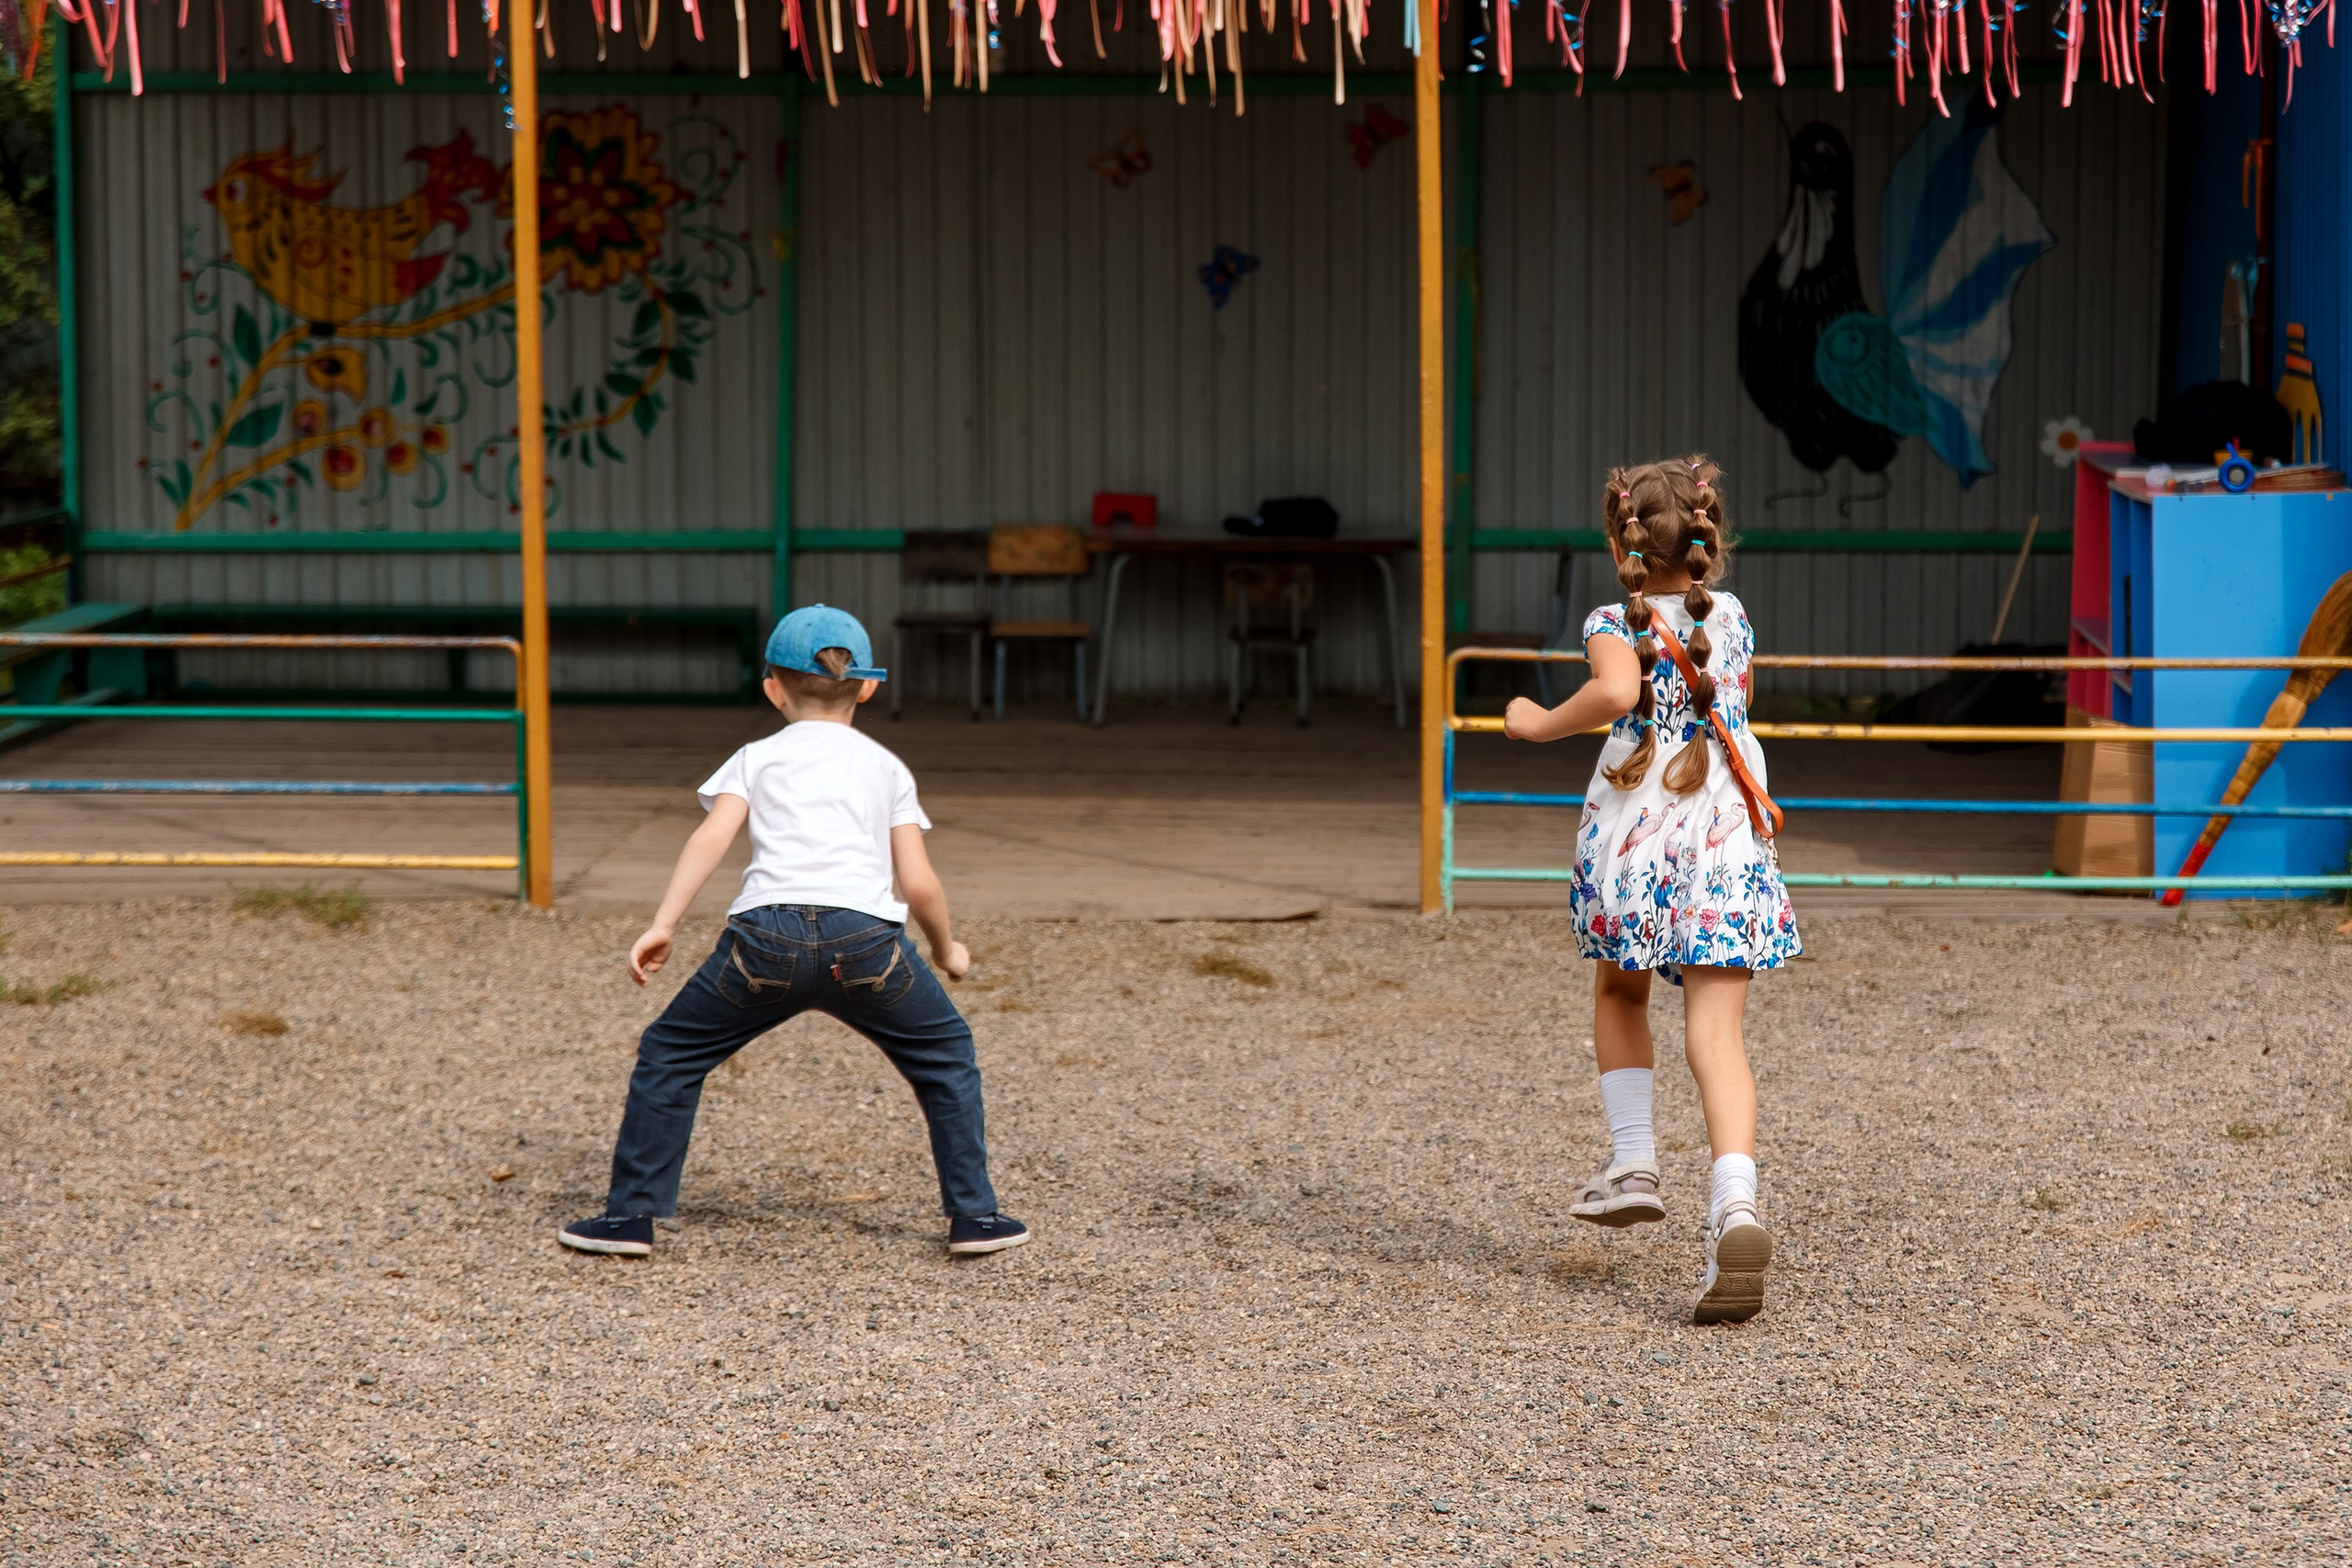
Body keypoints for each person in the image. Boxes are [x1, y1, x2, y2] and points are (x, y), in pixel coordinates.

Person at [558, 604, 1029, 1260]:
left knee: (670, 1053)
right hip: (869, 944)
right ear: (868, 685)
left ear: (772, 688)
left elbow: (711, 837)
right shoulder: (887, 767)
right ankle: (976, 1217)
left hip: (764, 942)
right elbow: (918, 882)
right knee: (946, 1058)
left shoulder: (755, 758)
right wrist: (948, 950)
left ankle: (630, 1217)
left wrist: (663, 923)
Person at [1502, 457, 1798, 1325]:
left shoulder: (1608, 621)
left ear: (1621, 539)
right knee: (1719, 1032)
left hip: (1637, 836)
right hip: (1725, 839)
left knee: (1619, 988)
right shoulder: (1735, 619)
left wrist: (1536, 721)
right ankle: (1735, 1207)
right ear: (1709, 537)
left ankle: (1634, 1164)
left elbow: (1620, 690)